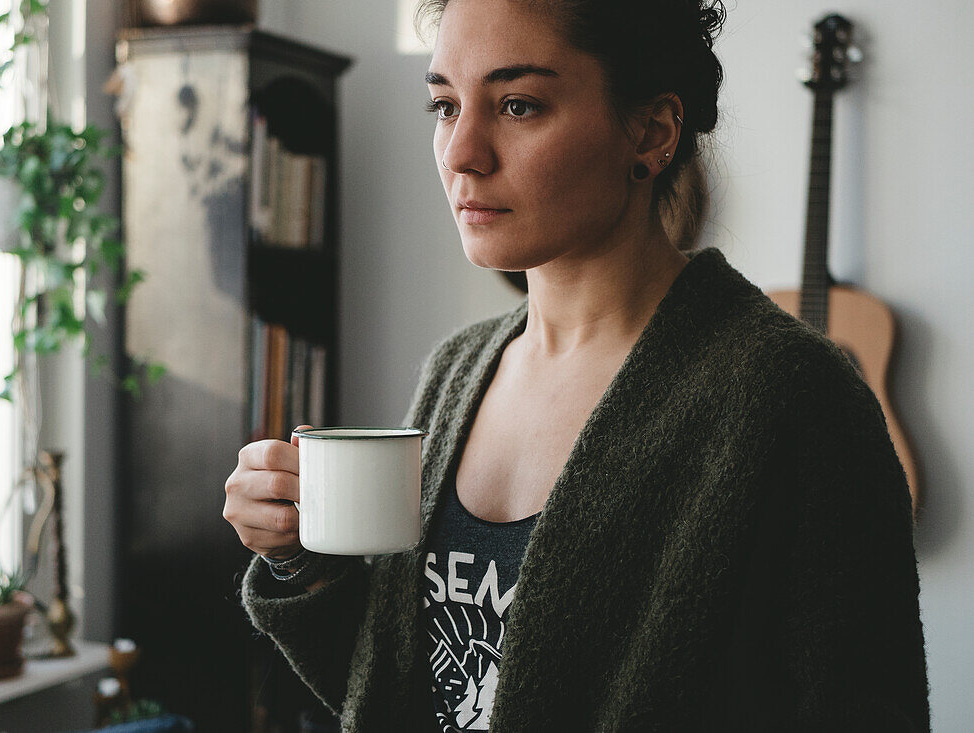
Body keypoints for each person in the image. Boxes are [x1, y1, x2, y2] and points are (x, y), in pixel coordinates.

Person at [222, 0, 930, 730]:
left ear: (651, 130)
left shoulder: (790, 397)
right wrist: (295, 562)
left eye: (518, 104)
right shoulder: (455, 371)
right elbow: (414, 689)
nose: (462, 152)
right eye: (444, 105)